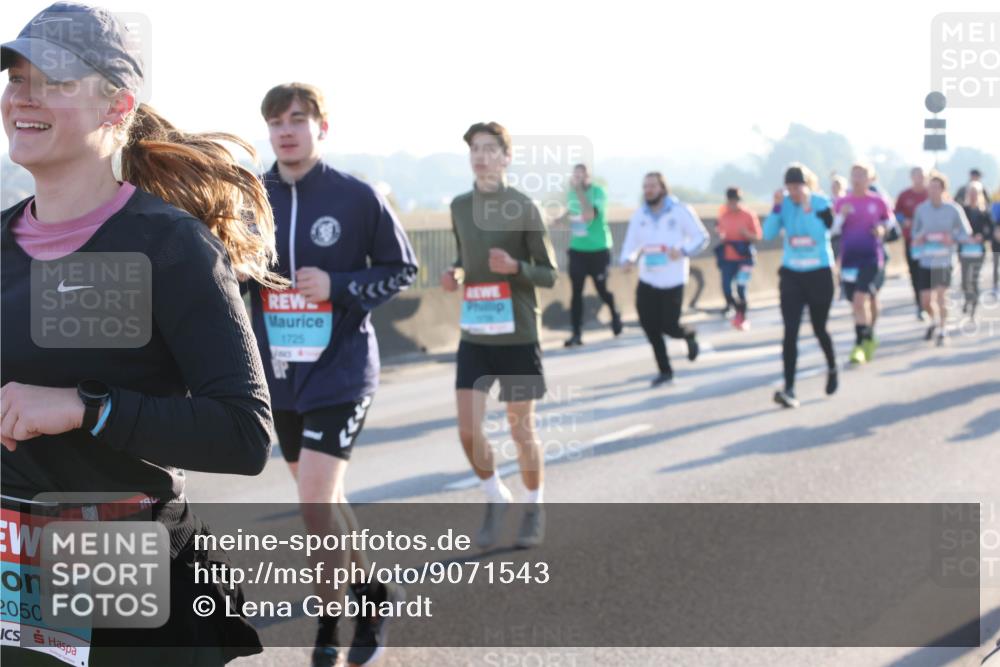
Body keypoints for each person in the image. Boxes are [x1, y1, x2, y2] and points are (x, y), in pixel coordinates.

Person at [1, 3, 276, 664]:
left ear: (117, 106)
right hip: (20, 574)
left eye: (56, 82)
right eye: (17, 77)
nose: (23, 97)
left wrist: (82, 407)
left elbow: (244, 432)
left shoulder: (171, 246)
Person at [248, 82, 418, 667]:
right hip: (281, 377)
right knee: (326, 500)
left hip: (342, 373)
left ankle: (330, 628)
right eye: (275, 123)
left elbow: (402, 270)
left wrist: (338, 286)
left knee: (316, 503)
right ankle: (373, 594)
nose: (286, 131)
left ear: (323, 126)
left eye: (298, 119)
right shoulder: (252, 197)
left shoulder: (357, 196)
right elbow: (234, 277)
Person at [440, 121, 558, 550]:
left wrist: (517, 268)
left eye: (490, 149)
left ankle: (534, 505)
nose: (481, 156)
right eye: (475, 148)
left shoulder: (524, 207)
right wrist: (454, 273)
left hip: (519, 335)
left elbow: (549, 274)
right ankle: (496, 496)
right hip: (476, 333)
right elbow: (462, 258)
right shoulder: (458, 206)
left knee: (520, 429)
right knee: (468, 431)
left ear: (506, 158)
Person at [619, 172, 709, 387]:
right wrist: (627, 260)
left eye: (652, 186)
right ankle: (665, 370)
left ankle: (688, 335)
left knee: (669, 326)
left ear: (662, 188)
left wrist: (683, 250)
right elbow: (630, 244)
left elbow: (701, 237)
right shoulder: (640, 215)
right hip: (648, 278)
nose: (648, 190)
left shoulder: (679, 211)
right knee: (649, 325)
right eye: (645, 186)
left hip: (673, 279)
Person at [763, 164, 839, 408]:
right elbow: (768, 233)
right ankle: (789, 388)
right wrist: (776, 208)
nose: (793, 193)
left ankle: (832, 366)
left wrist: (807, 208)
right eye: (790, 188)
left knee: (819, 328)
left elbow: (820, 234)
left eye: (797, 188)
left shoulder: (820, 202)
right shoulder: (784, 204)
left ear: (807, 186)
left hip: (819, 272)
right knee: (790, 331)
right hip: (792, 274)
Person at [833, 164, 892, 365]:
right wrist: (842, 216)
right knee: (856, 304)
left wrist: (882, 230)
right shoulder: (842, 202)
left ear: (870, 179)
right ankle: (868, 336)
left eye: (862, 175)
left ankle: (859, 344)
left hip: (871, 258)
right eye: (854, 175)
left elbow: (891, 224)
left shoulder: (878, 201)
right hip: (849, 259)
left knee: (860, 300)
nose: (857, 178)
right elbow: (832, 230)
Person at [562, 163, 622, 346]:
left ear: (588, 176)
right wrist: (554, 220)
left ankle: (614, 312)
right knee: (576, 293)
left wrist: (579, 191)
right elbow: (571, 214)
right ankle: (576, 333)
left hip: (598, 249)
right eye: (576, 175)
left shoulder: (598, 192)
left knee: (601, 289)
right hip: (578, 250)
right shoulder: (571, 194)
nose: (578, 178)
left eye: (582, 175)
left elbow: (589, 214)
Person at [912, 172, 973, 346]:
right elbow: (914, 233)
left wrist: (951, 238)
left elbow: (965, 233)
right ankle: (933, 321)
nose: (932, 191)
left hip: (944, 260)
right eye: (930, 187)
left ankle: (943, 329)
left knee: (941, 296)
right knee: (925, 301)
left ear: (943, 189)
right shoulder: (921, 209)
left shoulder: (953, 209)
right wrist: (921, 237)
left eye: (936, 187)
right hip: (925, 260)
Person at [714, 187, 762, 330]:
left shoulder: (748, 215)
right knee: (726, 287)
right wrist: (722, 237)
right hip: (728, 258)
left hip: (745, 258)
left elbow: (758, 237)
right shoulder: (723, 215)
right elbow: (719, 231)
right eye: (731, 201)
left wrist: (746, 233)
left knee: (741, 287)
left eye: (736, 201)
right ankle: (734, 308)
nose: (733, 204)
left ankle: (742, 316)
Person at [894, 167, 930, 320]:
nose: (919, 178)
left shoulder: (931, 193)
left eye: (921, 175)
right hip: (912, 241)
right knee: (915, 274)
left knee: (930, 274)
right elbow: (895, 214)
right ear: (911, 177)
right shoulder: (904, 195)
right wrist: (905, 221)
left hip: (930, 243)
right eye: (916, 175)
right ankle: (920, 305)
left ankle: (931, 303)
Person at [959, 182, 993, 321]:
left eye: (975, 193)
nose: (973, 196)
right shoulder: (962, 210)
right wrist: (965, 238)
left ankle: (974, 306)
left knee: (974, 278)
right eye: (970, 193)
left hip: (979, 250)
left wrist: (982, 237)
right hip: (964, 249)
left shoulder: (984, 212)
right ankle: (968, 298)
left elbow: (990, 231)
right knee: (964, 280)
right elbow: (957, 229)